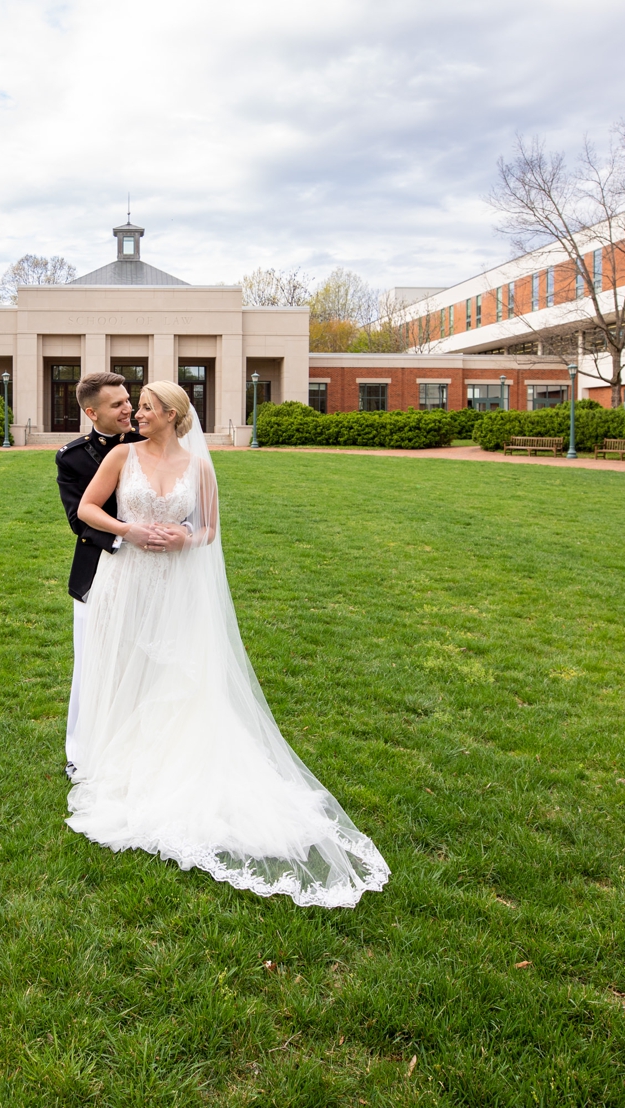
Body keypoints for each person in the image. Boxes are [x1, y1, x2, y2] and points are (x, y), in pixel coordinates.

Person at [67, 379, 387, 908]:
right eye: (136, 407)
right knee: (129, 667)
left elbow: (210, 530)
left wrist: (185, 537)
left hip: (177, 588)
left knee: (177, 674)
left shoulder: (199, 467)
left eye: (145, 407)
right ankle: (120, 754)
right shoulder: (121, 457)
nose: (136, 414)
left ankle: (169, 760)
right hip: (128, 583)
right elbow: (86, 510)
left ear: (170, 414)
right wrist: (133, 531)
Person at [54, 371, 169, 776]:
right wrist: (128, 535)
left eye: (129, 401)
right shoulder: (72, 457)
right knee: (92, 663)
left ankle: (141, 745)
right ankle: (81, 752)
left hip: (154, 572)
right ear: (92, 412)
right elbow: (78, 519)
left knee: (148, 660)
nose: (128, 410)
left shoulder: (150, 444)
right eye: (118, 404)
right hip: (99, 568)